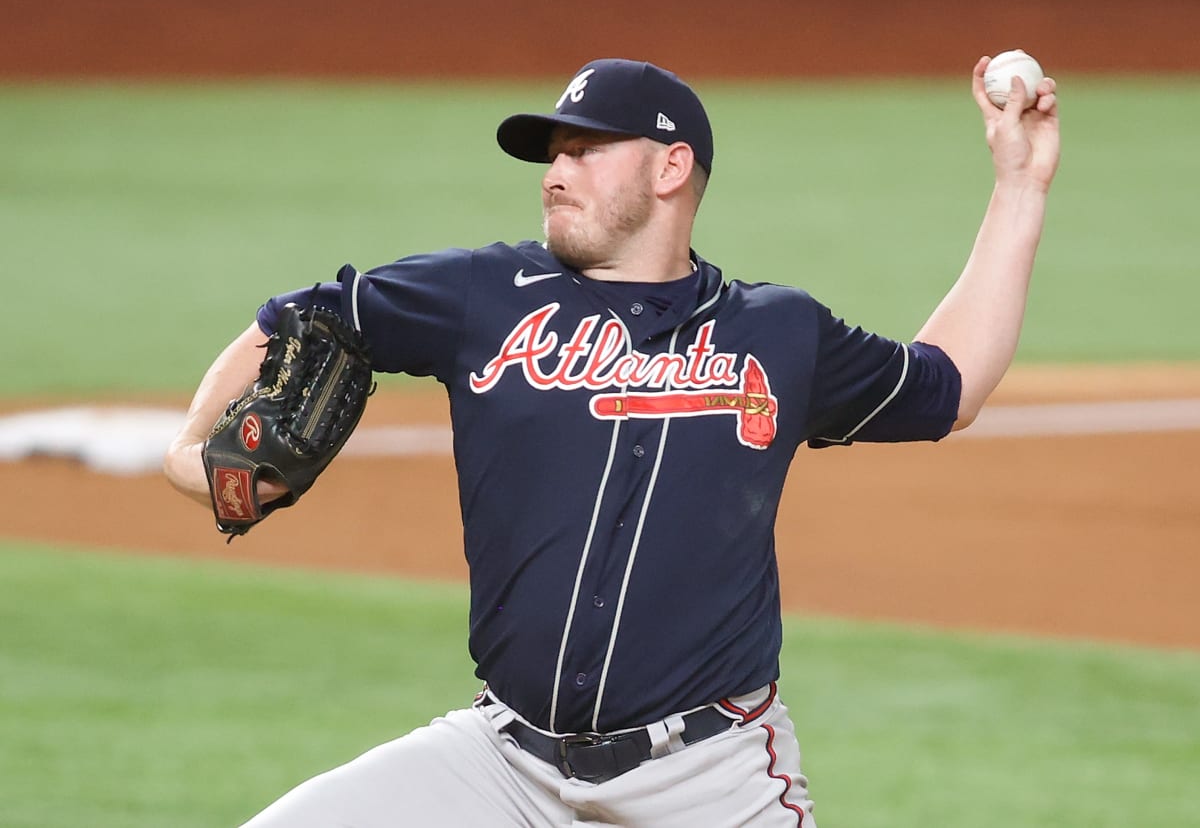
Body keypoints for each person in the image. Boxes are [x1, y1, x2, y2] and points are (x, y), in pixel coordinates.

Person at [164, 56, 1060, 826]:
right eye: (552, 153)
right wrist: (190, 451)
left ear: (673, 166)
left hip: (710, 779)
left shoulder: (781, 335)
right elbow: (311, 315)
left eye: (586, 149)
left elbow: (948, 384)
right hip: (503, 766)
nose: (557, 170)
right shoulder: (486, 292)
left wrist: (1021, 183)